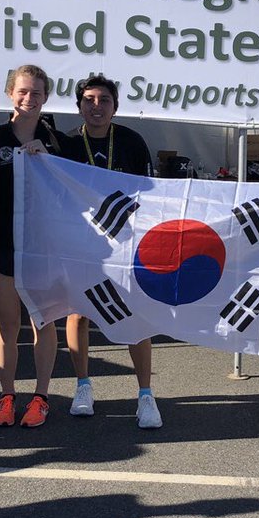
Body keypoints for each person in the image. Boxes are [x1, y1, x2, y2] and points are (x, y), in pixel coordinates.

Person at [60, 74, 162, 428]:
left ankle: (145, 394)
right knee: (78, 314)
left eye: (104, 100)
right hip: (80, 243)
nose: (96, 106)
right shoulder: (67, 143)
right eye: (89, 100)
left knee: (136, 315)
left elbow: (149, 193)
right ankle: (83, 386)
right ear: (79, 106)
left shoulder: (132, 141)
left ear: (115, 107)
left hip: (125, 245)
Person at [0, 65, 67, 428]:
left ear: (45, 97)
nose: (28, 98)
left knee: (43, 321)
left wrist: (47, 159)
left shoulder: (57, 141)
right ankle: (6, 396)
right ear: (9, 93)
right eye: (22, 91)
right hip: (2, 244)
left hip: (43, 247)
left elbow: (70, 192)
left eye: (35, 92)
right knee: (7, 325)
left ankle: (41, 396)